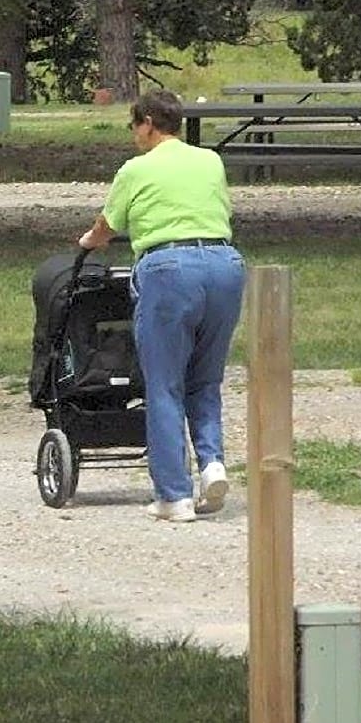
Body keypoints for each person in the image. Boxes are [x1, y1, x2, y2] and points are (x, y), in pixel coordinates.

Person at [78, 89, 245, 523]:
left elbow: (108, 226)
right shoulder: (210, 160)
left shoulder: (136, 169)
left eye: (135, 125)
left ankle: (174, 495)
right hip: (225, 266)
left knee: (165, 383)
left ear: (149, 123)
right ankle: (212, 465)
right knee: (205, 381)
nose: (134, 133)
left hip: (170, 269)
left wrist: (88, 242)